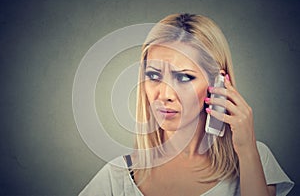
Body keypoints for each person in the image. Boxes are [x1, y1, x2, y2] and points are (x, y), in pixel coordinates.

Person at [79, 13, 294, 196]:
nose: (164, 94)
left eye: (183, 78)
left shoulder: (253, 158)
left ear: (218, 83)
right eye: (154, 76)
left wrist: (247, 151)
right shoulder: (117, 176)